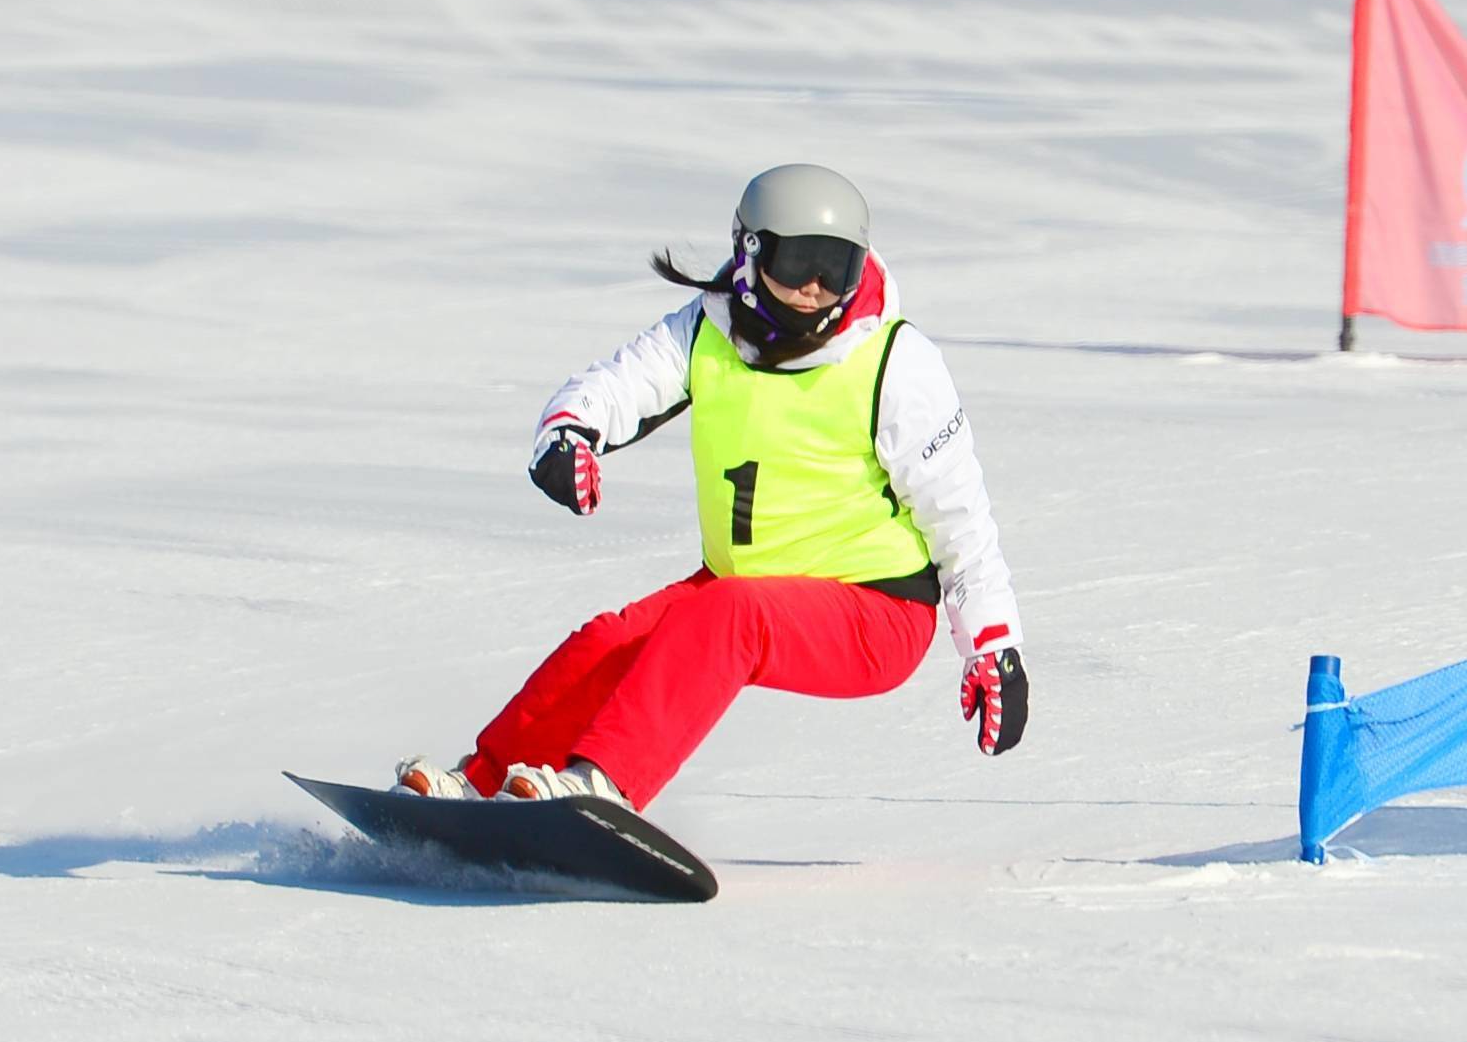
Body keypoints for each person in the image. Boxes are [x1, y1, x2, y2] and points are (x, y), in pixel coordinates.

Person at [392, 165, 1029, 811]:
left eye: (836, 267)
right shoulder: (710, 328)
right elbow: (619, 384)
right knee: (611, 640)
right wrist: (568, 433)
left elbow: (960, 517)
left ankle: (602, 786)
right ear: (751, 251)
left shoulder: (894, 360)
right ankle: (481, 781)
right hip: (738, 589)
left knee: (726, 616)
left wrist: (991, 643)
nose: (815, 286)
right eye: (800, 258)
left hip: (877, 611)